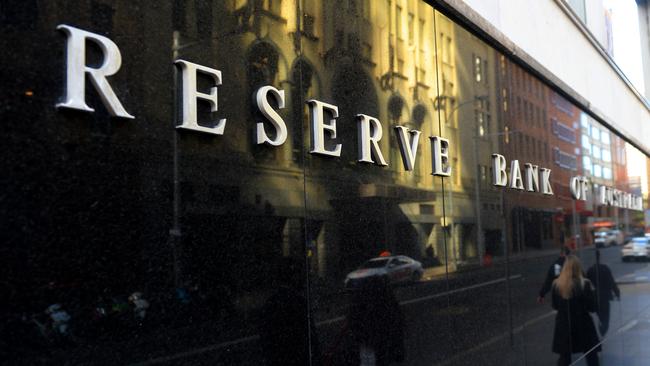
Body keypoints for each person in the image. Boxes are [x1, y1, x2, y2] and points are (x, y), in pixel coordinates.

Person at [551, 255, 600, 366]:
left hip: (564, 325)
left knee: (564, 357)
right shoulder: (585, 284)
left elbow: (555, 306)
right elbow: (592, 307)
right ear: (578, 268)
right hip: (583, 324)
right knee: (591, 355)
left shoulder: (556, 285)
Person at [346, 275, 405, 366]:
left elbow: (354, 326)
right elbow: (398, 327)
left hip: (369, 345)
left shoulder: (360, 306)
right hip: (382, 345)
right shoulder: (388, 304)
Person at [587, 250, 620, 336]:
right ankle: (603, 329)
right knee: (606, 316)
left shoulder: (590, 270)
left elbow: (587, 285)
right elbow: (612, 282)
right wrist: (617, 293)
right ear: (599, 257)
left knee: (601, 315)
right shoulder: (605, 268)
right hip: (605, 297)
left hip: (595, 297)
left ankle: (602, 325)